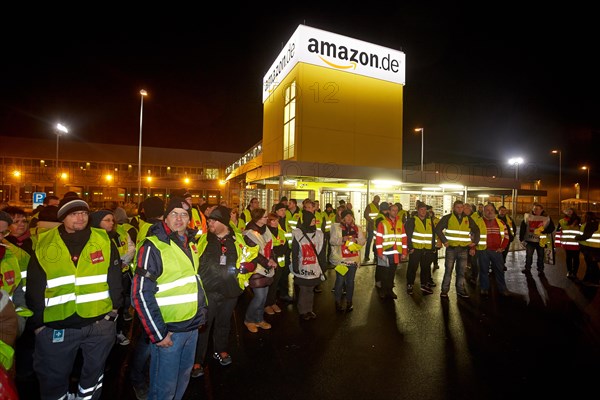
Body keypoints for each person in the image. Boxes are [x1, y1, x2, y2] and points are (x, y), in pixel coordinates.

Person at [25, 196, 123, 400]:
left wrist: (114, 311)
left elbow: (114, 278)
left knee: (93, 379)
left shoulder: (103, 238)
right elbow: (35, 286)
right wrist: (38, 324)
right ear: (62, 217)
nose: (80, 218)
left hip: (99, 323)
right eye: (74, 213)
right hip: (57, 325)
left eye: (84, 213)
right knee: (53, 380)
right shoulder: (44, 242)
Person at [131, 197, 208, 399]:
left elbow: (192, 282)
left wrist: (200, 315)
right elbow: (140, 293)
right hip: (169, 331)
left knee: (182, 380)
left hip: (190, 327)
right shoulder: (152, 246)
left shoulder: (190, 243)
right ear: (165, 218)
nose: (179, 218)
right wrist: (158, 333)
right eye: (174, 213)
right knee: (163, 388)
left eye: (184, 215)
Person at [191, 205, 257, 377]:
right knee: (203, 326)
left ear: (224, 222)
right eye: (209, 220)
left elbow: (251, 257)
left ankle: (220, 350)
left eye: (213, 220)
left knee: (223, 323)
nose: (210, 223)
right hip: (208, 291)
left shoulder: (238, 240)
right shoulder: (203, 239)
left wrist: (251, 266)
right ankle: (197, 360)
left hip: (230, 291)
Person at [89, 210, 133, 346]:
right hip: (99, 283)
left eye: (112, 220)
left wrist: (123, 262)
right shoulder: (91, 239)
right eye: (107, 220)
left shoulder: (117, 235)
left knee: (116, 307)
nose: (111, 223)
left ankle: (118, 332)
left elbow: (131, 247)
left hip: (120, 276)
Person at [435, 200, 480, 299]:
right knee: (448, 271)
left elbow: (476, 230)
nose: (460, 209)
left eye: (461, 207)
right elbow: (438, 229)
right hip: (451, 249)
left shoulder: (468, 219)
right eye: (457, 207)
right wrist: (444, 240)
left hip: (464, 249)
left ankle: (460, 289)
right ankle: (444, 291)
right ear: (453, 208)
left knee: (461, 272)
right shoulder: (448, 218)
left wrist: (475, 242)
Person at [242, 208, 277, 333]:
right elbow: (254, 253)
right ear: (258, 218)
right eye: (264, 217)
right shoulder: (249, 233)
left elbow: (269, 246)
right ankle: (249, 320)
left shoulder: (265, 230)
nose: (267, 218)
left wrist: (272, 259)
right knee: (259, 297)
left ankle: (259, 319)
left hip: (266, 267)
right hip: (256, 268)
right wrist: (268, 262)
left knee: (263, 296)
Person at [290, 209, 326, 320]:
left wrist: (323, 266)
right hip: (303, 266)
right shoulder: (298, 233)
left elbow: (321, 252)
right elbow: (295, 251)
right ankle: (303, 311)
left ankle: (309, 310)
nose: (314, 222)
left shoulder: (318, 234)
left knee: (310, 289)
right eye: (312, 220)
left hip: (314, 266)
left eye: (314, 220)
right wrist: (295, 266)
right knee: (304, 289)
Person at [329, 209, 365, 312]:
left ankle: (349, 302)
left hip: (353, 259)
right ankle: (337, 302)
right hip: (341, 260)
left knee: (350, 282)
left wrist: (356, 240)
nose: (349, 218)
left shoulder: (357, 228)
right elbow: (332, 241)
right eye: (347, 216)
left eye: (351, 216)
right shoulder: (336, 227)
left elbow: (362, 241)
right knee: (340, 281)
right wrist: (342, 239)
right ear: (343, 218)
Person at [476, 204, 510, 297]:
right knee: (483, 270)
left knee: (499, 270)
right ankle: (484, 288)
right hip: (483, 251)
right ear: (483, 211)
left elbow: (507, 236)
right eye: (487, 210)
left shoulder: (501, 223)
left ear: (494, 211)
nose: (489, 212)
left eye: (491, 210)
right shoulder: (477, 222)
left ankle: (502, 289)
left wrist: (502, 247)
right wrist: (472, 247)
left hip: (497, 251)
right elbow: (472, 236)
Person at [375, 203, 407, 299]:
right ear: (389, 211)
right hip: (386, 253)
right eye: (393, 210)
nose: (395, 212)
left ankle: (390, 290)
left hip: (396, 253)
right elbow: (379, 239)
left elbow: (404, 238)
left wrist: (404, 252)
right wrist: (379, 253)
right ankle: (383, 291)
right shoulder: (383, 223)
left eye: (396, 210)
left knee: (392, 274)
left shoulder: (400, 223)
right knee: (384, 273)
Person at [404, 202, 435, 295]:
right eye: (421, 209)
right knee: (412, 267)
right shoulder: (412, 221)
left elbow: (433, 235)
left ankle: (424, 284)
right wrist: (410, 247)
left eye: (425, 210)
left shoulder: (429, 221)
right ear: (418, 210)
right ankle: (410, 284)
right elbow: (408, 235)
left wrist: (433, 247)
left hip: (427, 249)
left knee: (425, 268)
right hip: (416, 249)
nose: (424, 211)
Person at [265, 209, 289, 314]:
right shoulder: (265, 232)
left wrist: (278, 248)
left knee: (275, 284)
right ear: (269, 221)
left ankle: (272, 302)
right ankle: (266, 304)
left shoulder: (282, 232)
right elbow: (267, 248)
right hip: (269, 263)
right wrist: (279, 247)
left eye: (277, 220)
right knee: (268, 284)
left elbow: (286, 246)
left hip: (280, 262)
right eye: (273, 220)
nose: (276, 222)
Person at [519, 202, 555, 274]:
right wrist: (521, 238)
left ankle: (540, 269)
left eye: (537, 209)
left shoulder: (546, 218)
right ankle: (527, 268)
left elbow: (552, 228)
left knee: (541, 256)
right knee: (529, 255)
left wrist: (544, 231)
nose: (535, 211)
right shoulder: (528, 217)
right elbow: (523, 227)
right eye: (534, 209)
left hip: (541, 241)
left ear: (542, 210)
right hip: (530, 240)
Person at [574, 211, 600, 286]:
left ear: (588, 217)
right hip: (592, 248)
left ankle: (594, 281)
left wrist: (577, 237)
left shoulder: (591, 224)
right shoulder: (593, 223)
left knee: (592, 265)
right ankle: (588, 279)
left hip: (592, 248)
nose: (582, 217)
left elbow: (586, 236)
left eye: (583, 216)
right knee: (591, 265)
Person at [555, 208, 581, 280]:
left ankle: (574, 273)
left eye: (570, 210)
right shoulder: (561, 221)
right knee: (568, 258)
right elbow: (558, 232)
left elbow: (583, 230)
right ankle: (569, 271)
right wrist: (557, 243)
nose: (569, 212)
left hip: (577, 243)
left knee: (576, 258)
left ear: (573, 211)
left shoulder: (579, 220)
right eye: (567, 211)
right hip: (567, 243)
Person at [373, 202, 390, 289]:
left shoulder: (381, 217)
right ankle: (379, 281)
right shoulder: (381, 218)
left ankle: (381, 281)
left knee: (382, 264)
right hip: (381, 244)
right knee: (381, 265)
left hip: (382, 244)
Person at [363, 195, 380, 263]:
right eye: (377, 199)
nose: (378, 201)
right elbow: (365, 215)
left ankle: (375, 254)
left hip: (377, 227)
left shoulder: (379, 206)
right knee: (369, 241)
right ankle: (366, 256)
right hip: (371, 226)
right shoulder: (370, 206)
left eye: (379, 200)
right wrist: (372, 221)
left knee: (376, 241)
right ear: (374, 199)